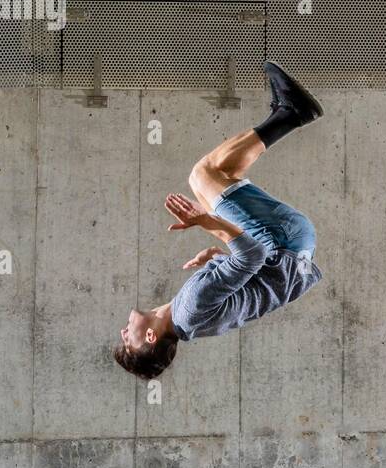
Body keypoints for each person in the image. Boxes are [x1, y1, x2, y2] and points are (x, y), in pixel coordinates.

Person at [114, 61, 324, 379]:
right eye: (127, 342)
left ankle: (285, 113)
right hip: (283, 241)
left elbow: (246, 283)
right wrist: (207, 223)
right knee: (203, 176)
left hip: (295, 248)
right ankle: (292, 113)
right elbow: (252, 256)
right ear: (150, 337)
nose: (122, 332)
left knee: (218, 179)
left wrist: (215, 258)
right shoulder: (190, 309)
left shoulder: (187, 320)